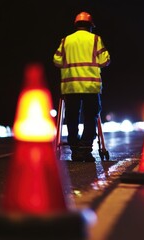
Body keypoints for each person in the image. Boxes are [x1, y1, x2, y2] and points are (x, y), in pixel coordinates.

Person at [53, 12, 111, 161]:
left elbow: (57, 61)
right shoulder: (95, 39)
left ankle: (75, 149)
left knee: (72, 118)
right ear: (90, 26)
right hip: (90, 86)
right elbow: (105, 60)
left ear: (76, 25)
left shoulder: (66, 40)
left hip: (71, 87)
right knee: (90, 117)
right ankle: (85, 149)